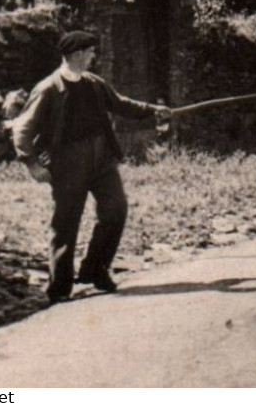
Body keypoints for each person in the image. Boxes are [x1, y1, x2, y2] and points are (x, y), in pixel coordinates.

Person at [11, 30, 174, 304]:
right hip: (67, 162)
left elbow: (120, 104)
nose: (93, 57)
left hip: (102, 158)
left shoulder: (94, 83)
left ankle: (95, 270)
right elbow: (22, 129)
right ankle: (59, 286)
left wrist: (152, 110)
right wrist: (32, 164)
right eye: (89, 52)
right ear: (76, 55)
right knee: (66, 221)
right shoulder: (48, 89)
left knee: (116, 210)